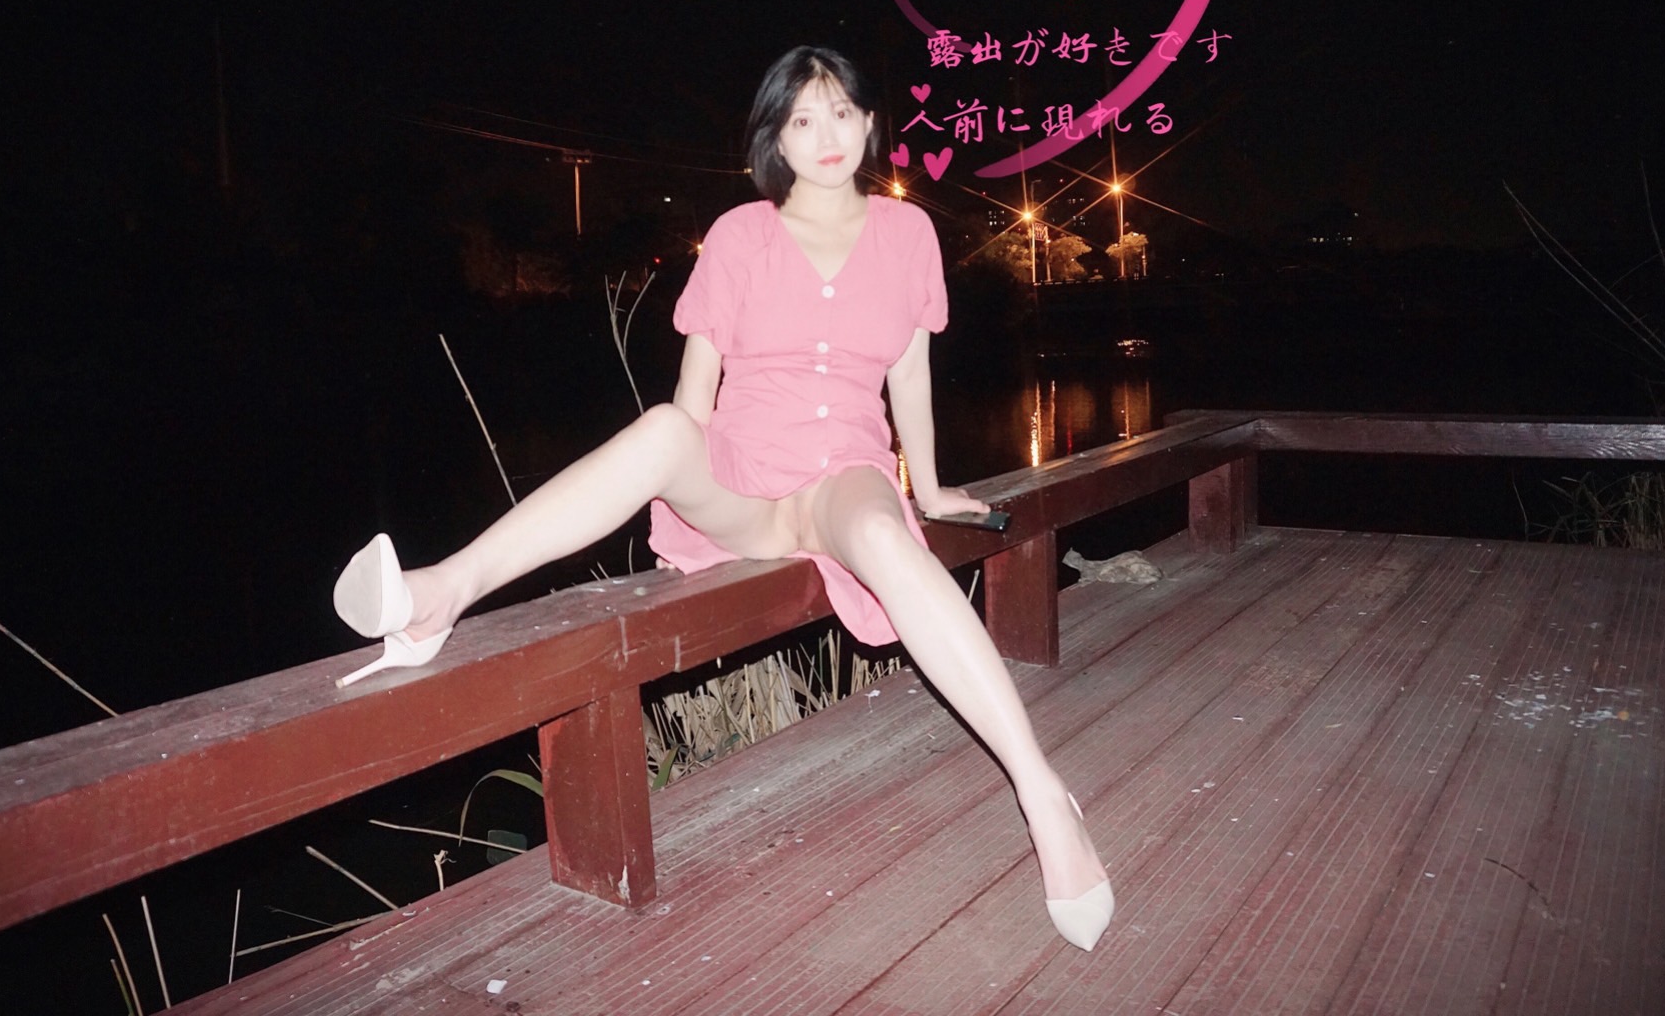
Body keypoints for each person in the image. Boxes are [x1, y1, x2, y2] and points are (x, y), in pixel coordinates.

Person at [331, 46, 1114, 950]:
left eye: (842, 113)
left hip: (843, 473)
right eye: (802, 119)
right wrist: (683, 485)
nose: (826, 135)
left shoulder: (908, 235)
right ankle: (442, 593)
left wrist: (930, 487)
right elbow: (695, 399)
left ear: (870, 123)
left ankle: (1042, 793)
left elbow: (909, 374)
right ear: (776, 139)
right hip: (744, 475)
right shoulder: (742, 236)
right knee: (666, 426)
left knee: (883, 535)